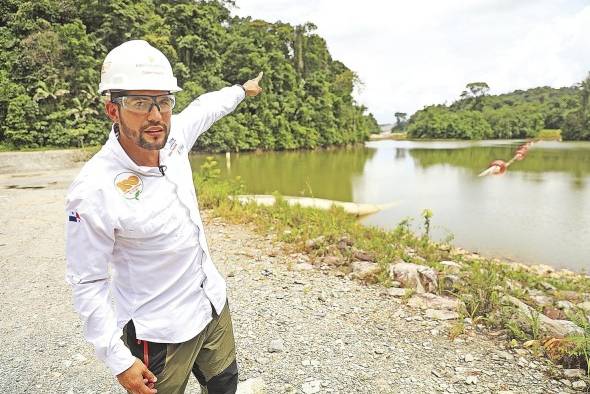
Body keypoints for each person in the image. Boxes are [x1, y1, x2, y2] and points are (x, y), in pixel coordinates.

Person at [65, 40, 263, 394]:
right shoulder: (93, 189)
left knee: (225, 382)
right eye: (140, 103)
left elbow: (207, 106)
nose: (156, 115)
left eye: (164, 101)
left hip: (210, 301)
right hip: (159, 330)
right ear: (113, 110)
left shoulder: (174, 139)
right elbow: (87, 282)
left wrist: (241, 90)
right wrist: (118, 359)